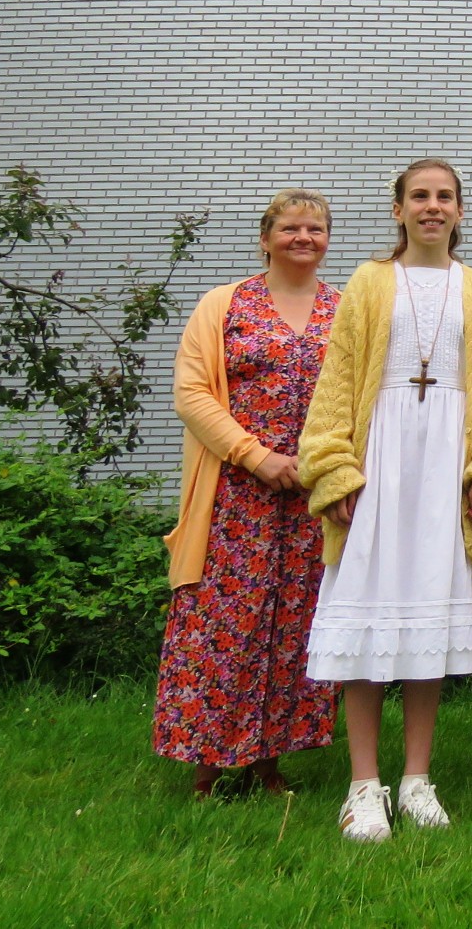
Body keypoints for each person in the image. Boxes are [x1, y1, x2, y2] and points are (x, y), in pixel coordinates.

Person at [298, 160, 472, 841]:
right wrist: (336, 469)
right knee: (367, 625)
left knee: (428, 625)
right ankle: (363, 785)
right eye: (419, 197)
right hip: (379, 467)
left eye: (444, 197)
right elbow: (338, 377)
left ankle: (417, 779)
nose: (432, 207)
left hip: (444, 468)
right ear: (397, 209)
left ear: (460, 211)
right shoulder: (369, 284)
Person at [155, 189, 340, 797]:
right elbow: (192, 393)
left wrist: (329, 467)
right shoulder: (225, 304)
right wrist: (256, 456)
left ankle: (268, 764)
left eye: (315, 229)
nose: (303, 238)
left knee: (294, 624)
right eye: (290, 228)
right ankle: (208, 764)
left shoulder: (343, 309)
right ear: (265, 238)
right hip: (235, 497)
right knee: (222, 623)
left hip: (313, 495)